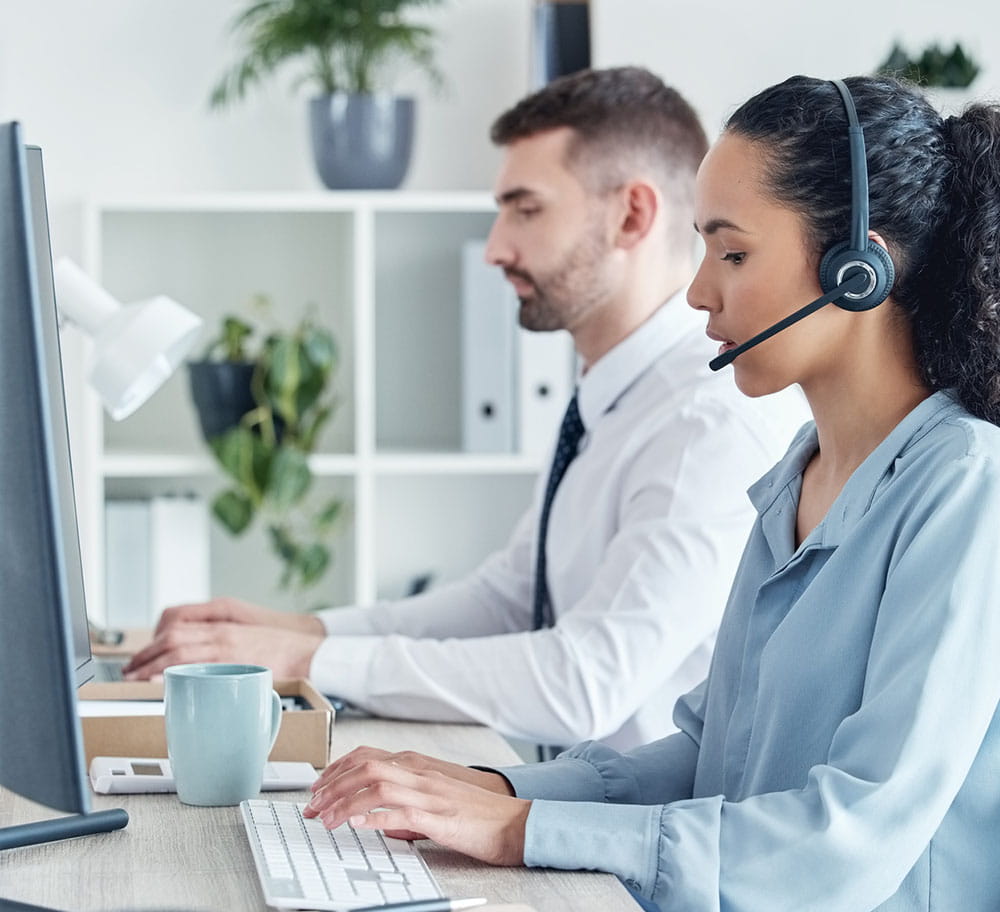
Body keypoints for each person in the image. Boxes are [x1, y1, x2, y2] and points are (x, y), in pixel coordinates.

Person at [298, 73, 1000, 912]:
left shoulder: (964, 485)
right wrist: (495, 793)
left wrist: (521, 834)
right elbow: (708, 758)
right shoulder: (800, 472)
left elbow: (843, 844)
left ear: (855, 270)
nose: (700, 294)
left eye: (734, 256)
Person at [125, 67, 803, 751]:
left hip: (624, 843)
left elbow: (585, 683)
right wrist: (305, 631)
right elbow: (507, 599)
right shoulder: (614, 398)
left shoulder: (705, 423)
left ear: (632, 214)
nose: (495, 247)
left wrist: (309, 662)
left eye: (526, 209)